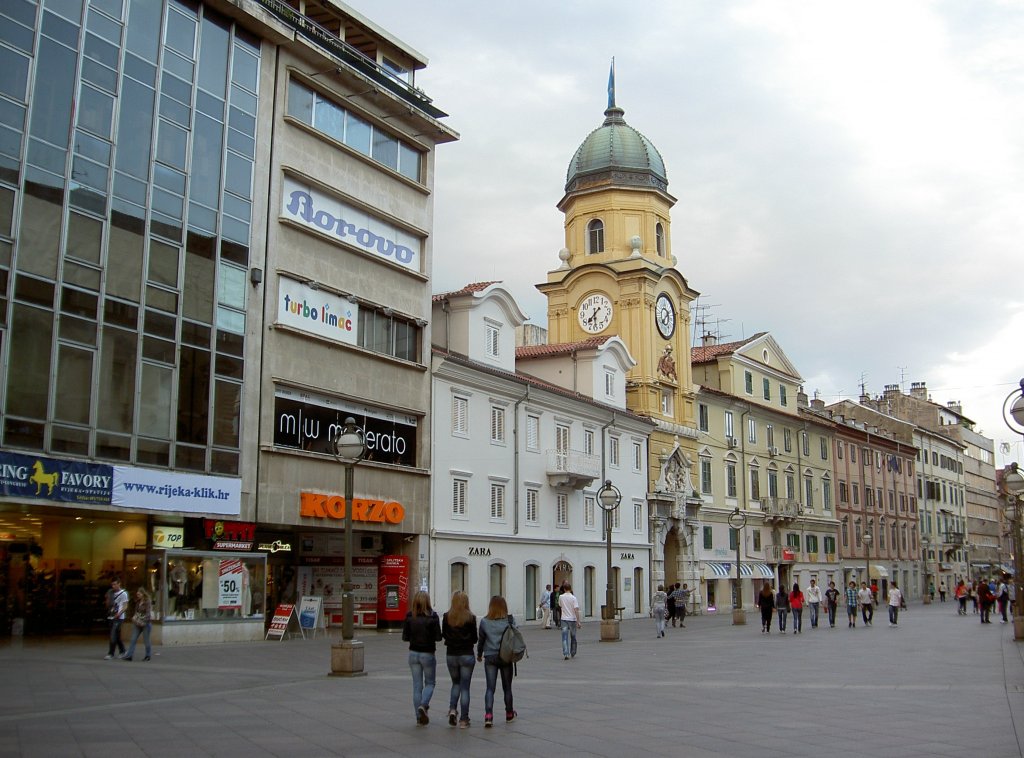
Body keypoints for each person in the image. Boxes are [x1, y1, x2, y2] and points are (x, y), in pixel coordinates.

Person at [402, 590, 442, 725]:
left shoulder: (409, 616)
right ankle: (423, 705)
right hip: (428, 653)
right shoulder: (433, 617)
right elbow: (438, 637)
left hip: (413, 653)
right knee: (430, 683)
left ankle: (419, 718)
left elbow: (405, 637)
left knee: (417, 686)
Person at [476, 595, 516, 727]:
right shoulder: (509, 620)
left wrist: (479, 654)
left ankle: (488, 715)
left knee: (490, 688)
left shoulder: (484, 622)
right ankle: (509, 713)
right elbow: (515, 636)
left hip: (490, 657)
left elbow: (481, 640)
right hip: (505, 657)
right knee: (507, 688)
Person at [441, 591, 477, 729]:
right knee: (465, 687)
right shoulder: (471, 618)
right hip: (467, 654)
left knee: (455, 683)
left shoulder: (447, 616)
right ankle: (464, 719)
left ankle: (452, 709)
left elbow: (444, 634)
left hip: (451, 655)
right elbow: (474, 638)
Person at [121, 587, 152, 661]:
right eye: (137, 594)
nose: (138, 595)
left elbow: (148, 613)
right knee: (133, 639)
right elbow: (136, 611)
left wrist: (143, 619)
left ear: (143, 594)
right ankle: (129, 655)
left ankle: (148, 655)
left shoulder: (147, 601)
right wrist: (135, 618)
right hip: (137, 623)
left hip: (145, 623)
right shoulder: (137, 602)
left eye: (139, 594)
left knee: (146, 640)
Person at [105, 577, 129, 660]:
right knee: (116, 635)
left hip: (119, 617)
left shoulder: (123, 594)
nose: (113, 586)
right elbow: (108, 604)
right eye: (112, 584)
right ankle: (123, 651)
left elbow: (125, 606)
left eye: (115, 584)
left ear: (119, 584)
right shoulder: (110, 592)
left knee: (113, 634)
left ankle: (111, 653)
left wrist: (119, 613)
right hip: (111, 615)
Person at [559, 582, 582, 659]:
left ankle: (566, 653)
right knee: (573, 636)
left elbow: (560, 605)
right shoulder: (573, 598)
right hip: (572, 619)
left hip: (564, 619)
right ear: (570, 589)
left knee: (564, 637)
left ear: (564, 589)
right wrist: (578, 621)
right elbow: (576, 610)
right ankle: (573, 651)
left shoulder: (561, 597)